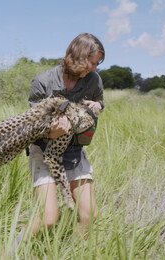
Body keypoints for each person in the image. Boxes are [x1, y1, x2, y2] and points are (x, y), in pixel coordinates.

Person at [27, 33, 105, 236]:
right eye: (92, 63)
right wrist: (51, 131)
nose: (95, 69)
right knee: (48, 218)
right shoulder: (43, 81)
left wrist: (98, 105)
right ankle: (10, 250)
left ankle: (71, 251)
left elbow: (99, 103)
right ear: (79, 56)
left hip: (74, 150)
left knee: (89, 217)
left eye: (97, 64)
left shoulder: (93, 80)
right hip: (44, 151)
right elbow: (31, 123)